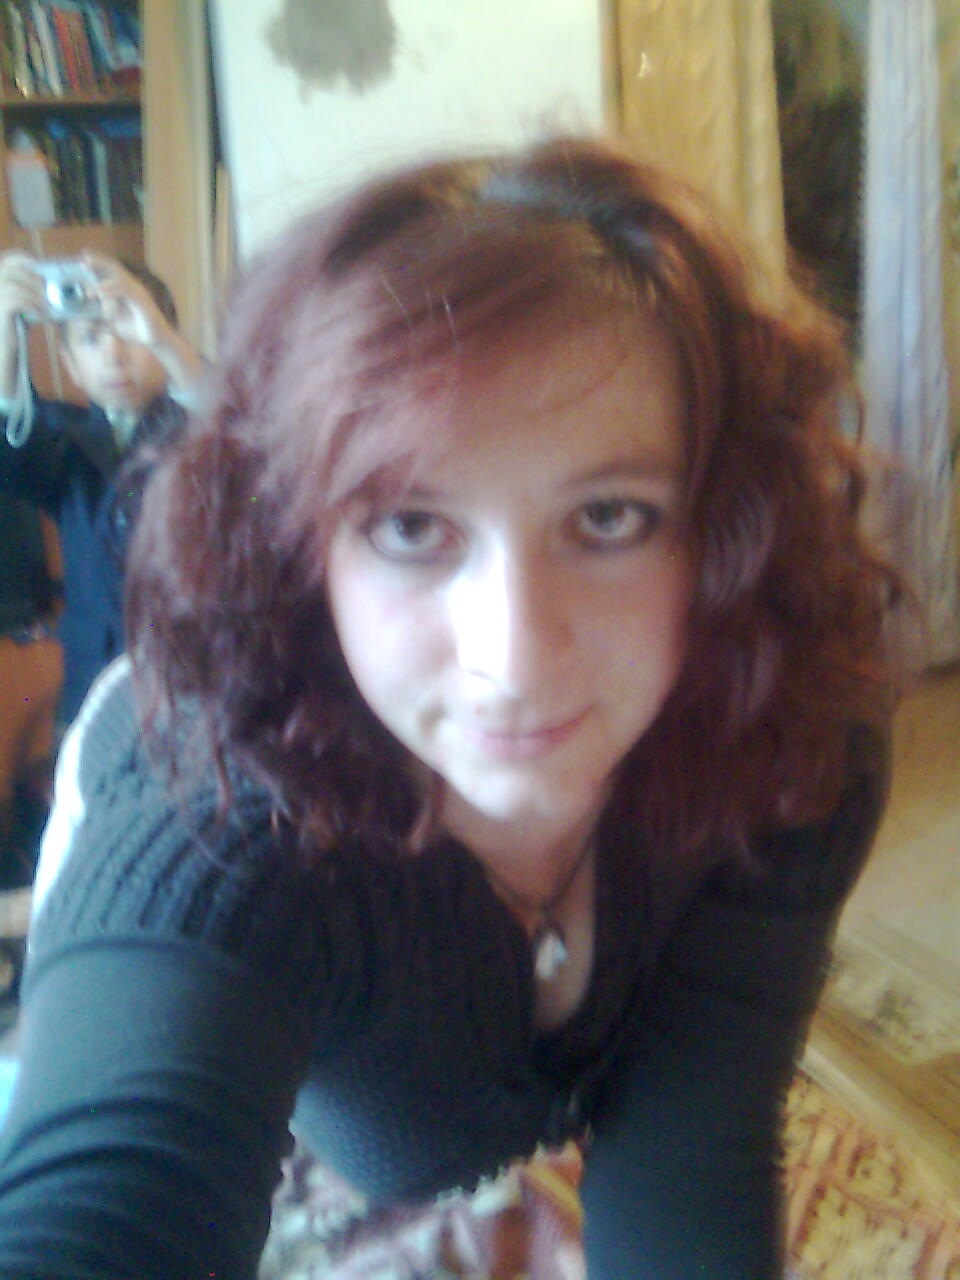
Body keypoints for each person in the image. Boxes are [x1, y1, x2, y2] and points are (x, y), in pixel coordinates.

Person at [0, 137, 901, 1278]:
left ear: (728, 528)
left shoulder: (796, 741)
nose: (513, 658)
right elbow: (105, 1195)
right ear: (299, 547)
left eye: (611, 517)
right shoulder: (214, 802)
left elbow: (697, 1140)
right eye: (411, 526)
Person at [0, 250, 203, 725]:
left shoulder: (201, 425)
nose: (113, 354)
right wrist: (6, 349)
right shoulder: (58, 437)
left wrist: (168, 345)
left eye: (128, 333)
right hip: (93, 674)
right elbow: (10, 458)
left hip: (190, 668)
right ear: (70, 365)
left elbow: (248, 473)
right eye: (91, 338)